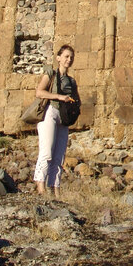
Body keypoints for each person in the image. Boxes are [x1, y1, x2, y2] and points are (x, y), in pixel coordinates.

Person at [33, 44, 79, 197]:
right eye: (66, 56)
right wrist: (59, 97)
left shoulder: (71, 81)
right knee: (46, 153)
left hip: (63, 117)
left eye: (71, 57)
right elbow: (39, 92)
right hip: (50, 112)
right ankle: (40, 186)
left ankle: (55, 189)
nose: (69, 60)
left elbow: (77, 100)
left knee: (59, 156)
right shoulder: (50, 73)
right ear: (58, 58)